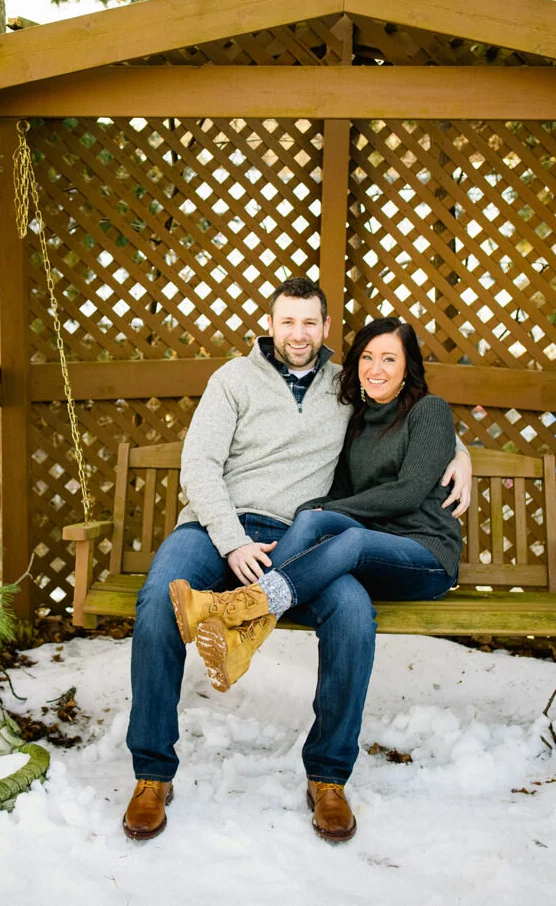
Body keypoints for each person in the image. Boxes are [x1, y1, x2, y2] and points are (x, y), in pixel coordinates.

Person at [122, 279, 472, 844]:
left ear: (326, 327)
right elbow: (199, 466)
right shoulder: (232, 380)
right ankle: (152, 774)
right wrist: (232, 540)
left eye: (310, 322)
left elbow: (407, 415)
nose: (299, 334)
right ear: (271, 324)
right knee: (162, 601)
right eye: (288, 321)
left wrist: (461, 453)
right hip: (219, 528)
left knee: (353, 614)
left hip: (306, 542)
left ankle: (328, 777)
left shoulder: (345, 384)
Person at [178, 316, 462, 696]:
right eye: (367, 357)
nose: (376, 369)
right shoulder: (357, 422)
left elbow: (408, 492)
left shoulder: (430, 410)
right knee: (314, 521)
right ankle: (246, 630)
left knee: (352, 538)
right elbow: (338, 495)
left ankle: (238, 610)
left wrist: (463, 455)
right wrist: (312, 511)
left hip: (426, 555)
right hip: (372, 547)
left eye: (389, 359)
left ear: (408, 366)